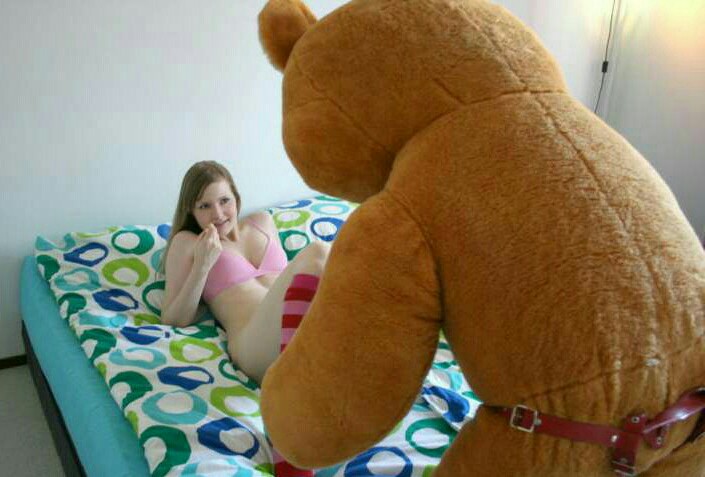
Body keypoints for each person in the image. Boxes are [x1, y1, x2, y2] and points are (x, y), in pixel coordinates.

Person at [160, 160, 330, 385]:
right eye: (204, 206)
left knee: (334, 257)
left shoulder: (262, 222)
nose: (218, 214)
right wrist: (202, 265)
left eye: (224, 201)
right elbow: (173, 318)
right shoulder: (188, 243)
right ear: (191, 211)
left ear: (236, 198)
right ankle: (294, 374)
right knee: (318, 251)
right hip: (252, 342)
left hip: (299, 324)